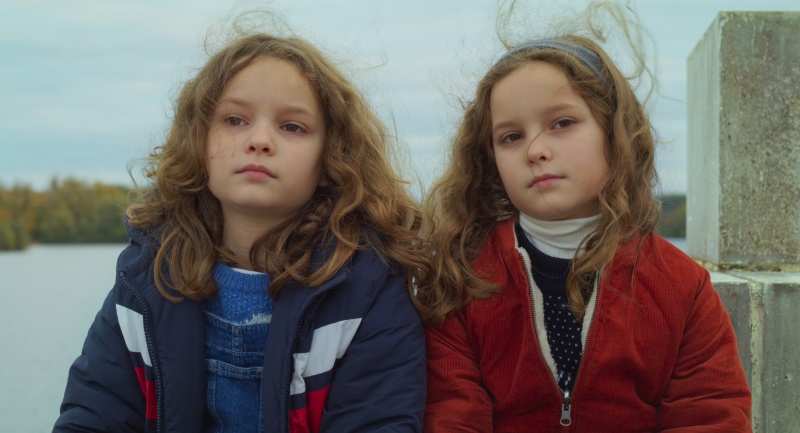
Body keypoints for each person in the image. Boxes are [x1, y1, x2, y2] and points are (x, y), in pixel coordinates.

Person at [53, 31, 431, 433]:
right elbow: (96, 413)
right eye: (235, 120)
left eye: (292, 126)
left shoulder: (367, 290)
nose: (260, 140)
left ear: (331, 159)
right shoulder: (146, 278)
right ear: (198, 143)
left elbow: (379, 420)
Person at [418, 3, 752, 432]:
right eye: (511, 136)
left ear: (615, 134)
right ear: (489, 159)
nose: (534, 150)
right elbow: (452, 416)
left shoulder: (682, 288)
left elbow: (710, 414)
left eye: (562, 123)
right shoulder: (462, 280)